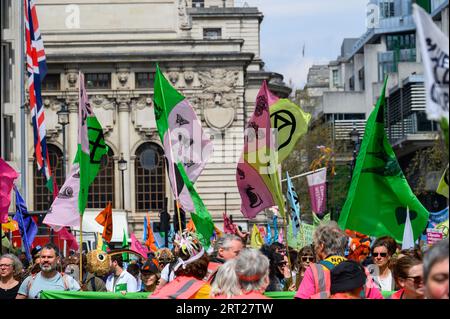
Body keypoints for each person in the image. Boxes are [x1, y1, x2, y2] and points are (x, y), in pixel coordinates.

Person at [294, 221, 383, 299]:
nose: (315, 250)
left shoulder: (314, 271)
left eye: (315, 246)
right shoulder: (362, 270)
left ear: (321, 246)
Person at [149, 232, 211, 299]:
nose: (175, 249)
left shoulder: (168, 288)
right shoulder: (206, 290)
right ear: (203, 264)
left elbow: (156, 294)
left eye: (177, 246)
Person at [16, 243, 80, 299]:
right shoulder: (29, 281)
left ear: (57, 259)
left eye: (49, 257)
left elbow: (82, 296)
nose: (45, 260)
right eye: (43, 257)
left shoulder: (68, 281)